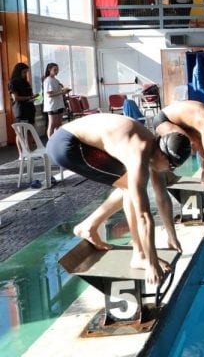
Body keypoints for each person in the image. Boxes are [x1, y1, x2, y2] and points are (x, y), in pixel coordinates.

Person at [47, 113, 191, 285]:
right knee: (131, 187)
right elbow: (144, 216)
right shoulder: (138, 154)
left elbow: (162, 196)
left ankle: (89, 226)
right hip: (67, 145)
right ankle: (139, 255)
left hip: (72, 138)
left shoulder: (154, 146)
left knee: (128, 185)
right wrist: (152, 264)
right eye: (172, 166)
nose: (169, 170)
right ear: (164, 156)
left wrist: (172, 236)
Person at [153, 100, 204, 187]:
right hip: (163, 120)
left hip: (179, 120)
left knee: (200, 142)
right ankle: (165, 173)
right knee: (192, 144)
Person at [8, 63, 38, 157]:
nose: (25, 74)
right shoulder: (13, 82)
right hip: (21, 110)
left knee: (30, 131)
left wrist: (33, 97)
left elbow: (29, 95)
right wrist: (28, 97)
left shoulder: (26, 82)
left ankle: (29, 152)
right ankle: (21, 154)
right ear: (19, 71)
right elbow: (15, 98)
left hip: (30, 109)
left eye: (26, 72)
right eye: (24, 72)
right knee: (20, 133)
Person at [42, 63, 71, 138]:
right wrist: (62, 92)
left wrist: (64, 90)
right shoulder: (48, 80)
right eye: (55, 69)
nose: (56, 71)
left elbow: (57, 91)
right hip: (52, 105)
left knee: (58, 124)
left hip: (59, 104)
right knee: (52, 124)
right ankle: (50, 142)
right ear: (49, 70)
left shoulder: (56, 80)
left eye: (57, 69)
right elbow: (49, 94)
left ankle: (56, 140)